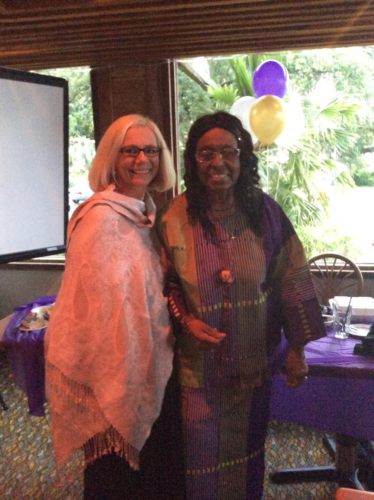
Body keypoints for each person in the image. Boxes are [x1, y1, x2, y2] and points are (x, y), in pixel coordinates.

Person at [157, 111, 326, 500]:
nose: (218, 163)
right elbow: (161, 285)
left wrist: (297, 349)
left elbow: (293, 280)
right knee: (198, 460)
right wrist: (185, 322)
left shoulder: (267, 214)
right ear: (192, 161)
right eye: (206, 153)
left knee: (247, 457)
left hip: (255, 366)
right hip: (197, 373)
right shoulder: (172, 218)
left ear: (243, 158)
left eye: (228, 152)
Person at [44, 114, 182, 499]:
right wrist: (117, 373)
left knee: (153, 473)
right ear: (112, 157)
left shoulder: (146, 213)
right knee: (116, 480)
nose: (142, 159)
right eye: (131, 150)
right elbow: (94, 313)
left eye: (151, 150)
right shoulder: (100, 218)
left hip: (153, 363)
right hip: (112, 375)